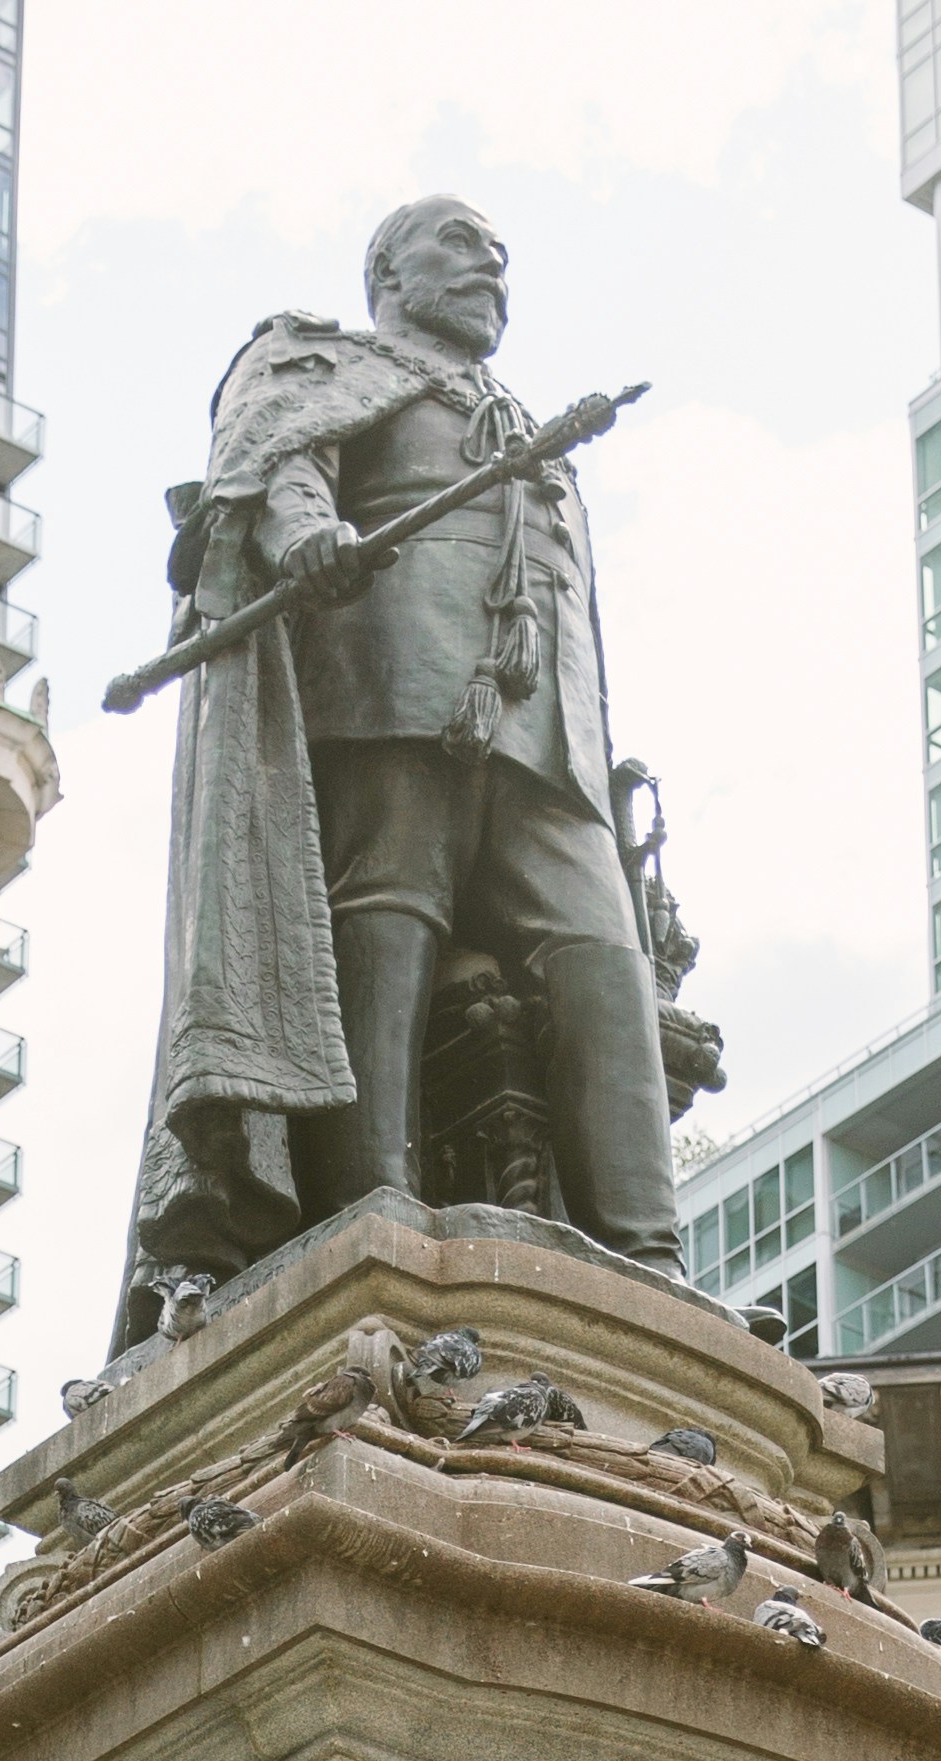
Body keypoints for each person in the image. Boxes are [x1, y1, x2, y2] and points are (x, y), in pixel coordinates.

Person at [125, 196, 680, 1301]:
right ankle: (367, 1206)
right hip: (387, 684)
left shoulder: (525, 420)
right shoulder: (324, 360)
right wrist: (303, 534)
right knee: (385, 923)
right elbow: (272, 470)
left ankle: (650, 1257)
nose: (492, 272)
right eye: (463, 249)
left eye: (504, 261)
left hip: (545, 728)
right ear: (388, 267)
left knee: (604, 958)